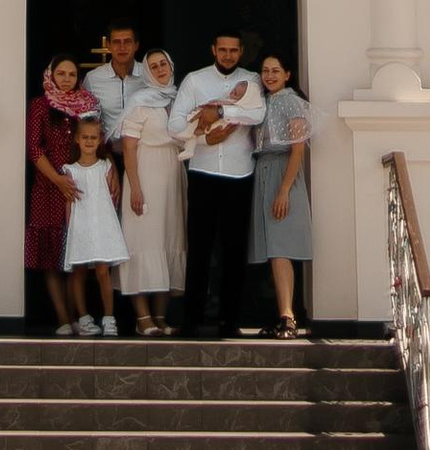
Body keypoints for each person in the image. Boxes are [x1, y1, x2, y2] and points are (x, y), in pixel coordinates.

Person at [170, 29, 266, 335]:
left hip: (239, 174)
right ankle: (192, 320)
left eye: (233, 50)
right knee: (199, 248)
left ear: (240, 52)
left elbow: (258, 113)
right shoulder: (195, 80)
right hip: (203, 171)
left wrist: (222, 110)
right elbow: (174, 123)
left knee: (234, 251)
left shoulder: (251, 80)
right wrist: (203, 134)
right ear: (213, 49)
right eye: (222, 49)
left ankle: (230, 321)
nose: (227, 55)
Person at [25, 56, 98, 329]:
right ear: (51, 75)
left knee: (75, 255)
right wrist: (57, 179)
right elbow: (34, 149)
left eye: (71, 74)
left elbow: (97, 144)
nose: (66, 79)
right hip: (49, 188)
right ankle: (63, 319)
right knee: (51, 257)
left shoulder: (86, 106)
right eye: (61, 73)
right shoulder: (40, 106)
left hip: (80, 188)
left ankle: (80, 316)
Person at [118, 45, 185, 336]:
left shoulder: (179, 98)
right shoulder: (140, 101)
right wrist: (135, 188)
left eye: (164, 64)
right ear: (147, 71)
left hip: (172, 176)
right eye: (154, 66)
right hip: (144, 174)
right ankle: (142, 317)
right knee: (143, 242)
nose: (160, 69)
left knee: (169, 239)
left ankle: (160, 317)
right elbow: (129, 147)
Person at [248, 50, 313, 338]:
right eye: (265, 70)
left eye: (276, 70)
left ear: (287, 74)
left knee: (281, 247)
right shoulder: (263, 101)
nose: (270, 76)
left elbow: (298, 148)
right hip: (263, 171)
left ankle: (288, 315)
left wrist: (284, 189)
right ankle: (279, 313)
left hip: (282, 174)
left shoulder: (291, 102)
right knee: (272, 248)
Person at [60, 114, 126, 338]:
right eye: (85, 137)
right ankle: (84, 319)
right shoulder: (69, 169)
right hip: (81, 226)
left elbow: (111, 198)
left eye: (94, 137)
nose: (89, 141)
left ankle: (109, 318)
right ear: (77, 140)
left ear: (100, 141)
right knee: (78, 271)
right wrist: (71, 230)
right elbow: (69, 203)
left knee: (102, 271)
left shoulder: (105, 167)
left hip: (102, 224)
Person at [83, 21, 141, 141]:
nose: (122, 47)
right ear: (108, 45)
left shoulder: (148, 76)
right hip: (107, 153)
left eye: (127, 42)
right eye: (116, 42)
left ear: (136, 45)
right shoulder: (93, 79)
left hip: (143, 152)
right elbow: (85, 120)